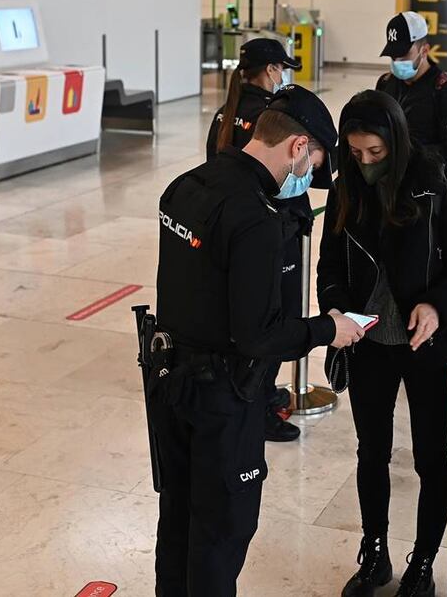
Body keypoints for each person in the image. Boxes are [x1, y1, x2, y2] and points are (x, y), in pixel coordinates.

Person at [150, 86, 366, 596]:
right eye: (312, 164)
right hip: (223, 400)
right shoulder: (256, 219)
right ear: (296, 147)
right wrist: (326, 329)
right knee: (222, 531)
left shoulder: (185, 185)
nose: (308, 179)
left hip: (168, 383)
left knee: (177, 518)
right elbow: (256, 334)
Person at [317, 90, 447, 597]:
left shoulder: (435, 184)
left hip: (424, 343)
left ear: (396, 142)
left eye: (376, 153)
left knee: (431, 459)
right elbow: (328, 265)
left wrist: (437, 304)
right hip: (367, 342)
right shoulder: (346, 188)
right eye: (357, 153)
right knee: (372, 452)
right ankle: (375, 552)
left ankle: (424, 560)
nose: (365, 163)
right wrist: (337, 310)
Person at [204, 38, 331, 444]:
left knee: (243, 314)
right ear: (273, 70)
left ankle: (257, 392)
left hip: (232, 230)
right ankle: (260, 407)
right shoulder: (271, 118)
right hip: (274, 235)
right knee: (272, 322)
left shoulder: (225, 113)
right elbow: (280, 184)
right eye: (281, 68)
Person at [377, 12, 447, 176]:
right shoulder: (386, 84)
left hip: (428, 184)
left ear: (425, 51)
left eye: (404, 55)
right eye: (393, 56)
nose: (397, 62)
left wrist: (413, 159)